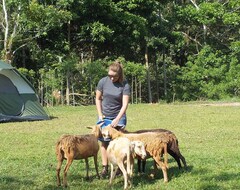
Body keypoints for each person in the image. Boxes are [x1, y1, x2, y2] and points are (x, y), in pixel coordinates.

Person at [95, 60, 131, 177]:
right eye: (109, 75)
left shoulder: (124, 84)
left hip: (119, 117)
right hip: (104, 116)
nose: (111, 78)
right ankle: (105, 168)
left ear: (119, 75)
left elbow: (125, 104)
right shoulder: (102, 82)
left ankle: (120, 168)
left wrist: (117, 119)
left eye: (114, 76)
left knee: (118, 143)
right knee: (104, 143)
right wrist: (100, 115)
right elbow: (98, 98)